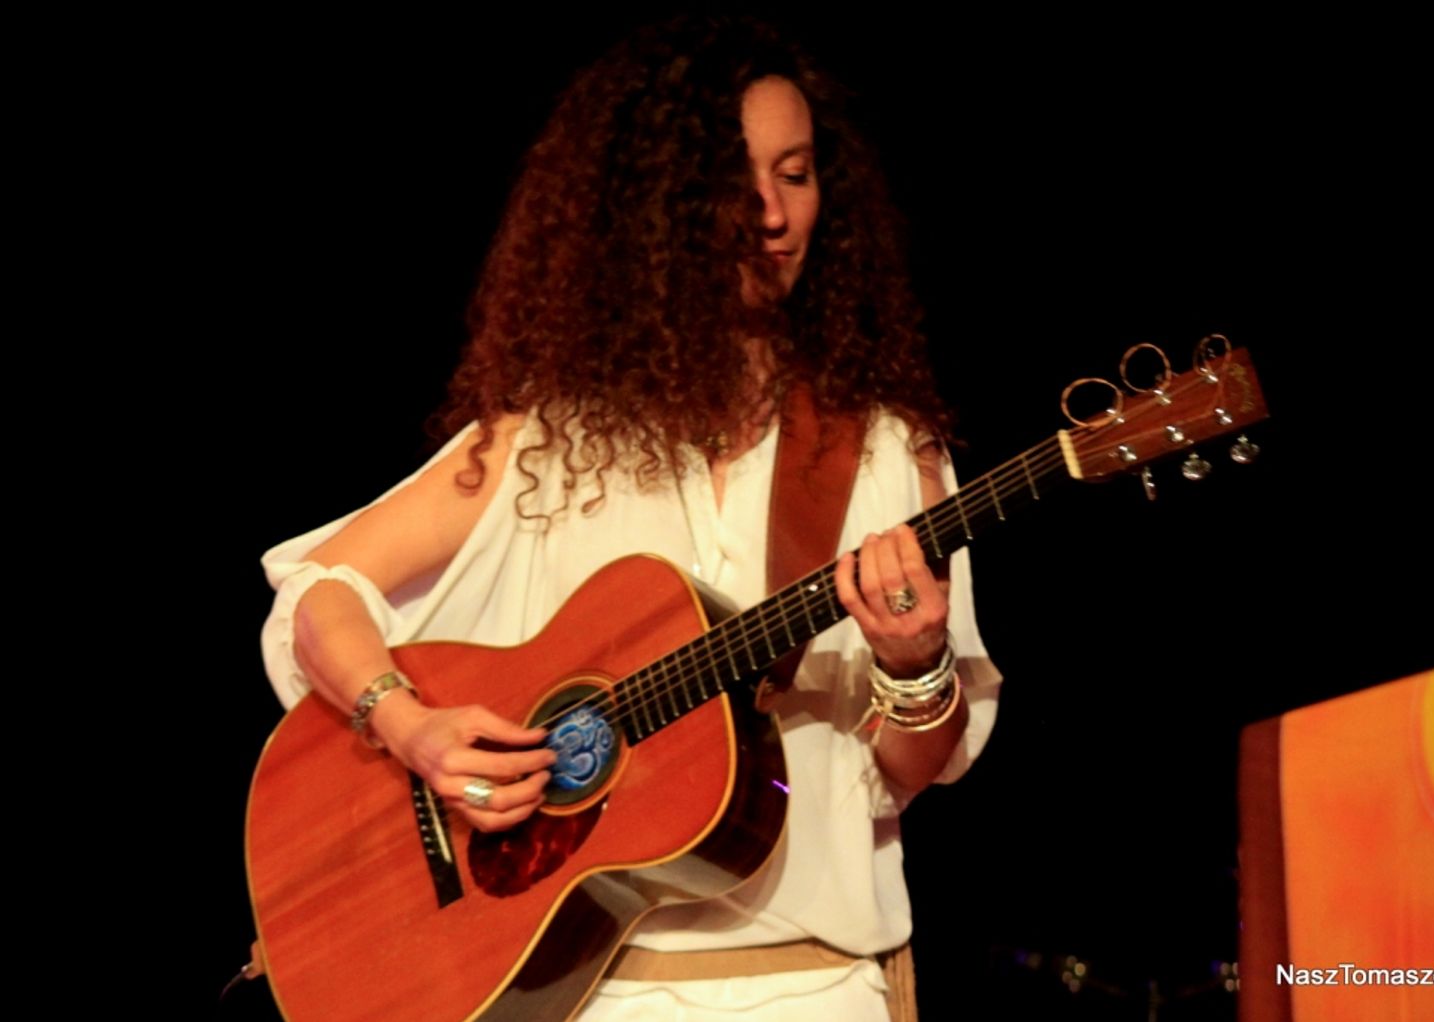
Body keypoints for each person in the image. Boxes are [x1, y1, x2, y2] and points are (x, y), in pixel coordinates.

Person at [259, 16, 1000, 1021]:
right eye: (734, 180)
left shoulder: (886, 452)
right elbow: (320, 590)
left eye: (796, 173)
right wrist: (411, 725)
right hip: (578, 995)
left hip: (816, 987)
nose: (773, 213)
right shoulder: (547, 444)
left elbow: (915, 769)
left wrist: (915, 665)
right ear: (656, 208)